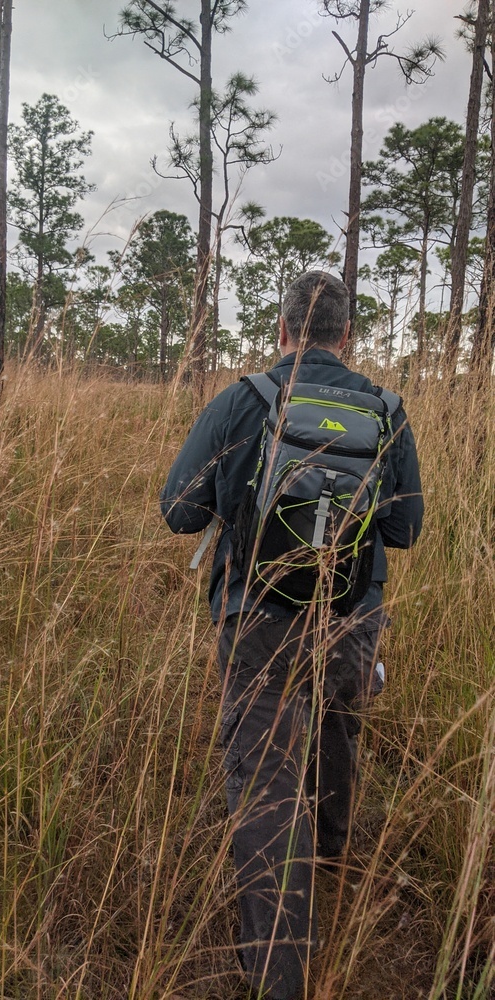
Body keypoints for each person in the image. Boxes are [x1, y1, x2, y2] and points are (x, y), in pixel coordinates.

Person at [160, 271, 423, 1000]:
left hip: (258, 622)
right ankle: (331, 877)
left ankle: (278, 975)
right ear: (346, 336)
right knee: (334, 741)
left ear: (281, 332)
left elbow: (179, 511)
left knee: (268, 784)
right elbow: (403, 530)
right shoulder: (386, 408)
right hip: (349, 621)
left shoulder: (242, 401)